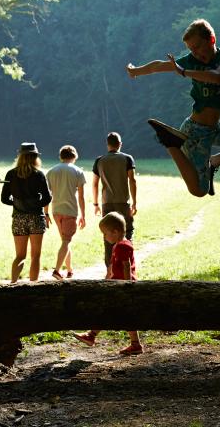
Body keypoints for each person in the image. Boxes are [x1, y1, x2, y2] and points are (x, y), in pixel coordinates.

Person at [126, 18, 220, 197]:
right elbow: (159, 66)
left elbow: (217, 76)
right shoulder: (191, 60)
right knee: (199, 190)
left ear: (211, 39)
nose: (196, 53)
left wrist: (183, 72)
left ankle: (213, 162)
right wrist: (136, 71)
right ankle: (171, 143)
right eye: (191, 49)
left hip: (216, 128)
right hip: (195, 132)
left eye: (198, 47)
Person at [73, 212, 143, 355]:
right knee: (120, 314)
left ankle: (92, 335)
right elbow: (112, 267)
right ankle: (135, 344)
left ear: (115, 232)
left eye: (105, 233)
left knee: (111, 311)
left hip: (123, 286)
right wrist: (106, 282)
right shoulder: (119, 245)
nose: (104, 237)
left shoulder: (122, 246)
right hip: (116, 285)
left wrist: (127, 285)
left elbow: (126, 265)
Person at [1, 142, 52, 283]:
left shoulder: (10, 174)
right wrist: (36, 204)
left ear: (20, 156)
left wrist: (17, 203)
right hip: (36, 217)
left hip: (18, 218)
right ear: (35, 157)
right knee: (35, 256)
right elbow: (47, 198)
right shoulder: (39, 175)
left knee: (20, 256)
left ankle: (13, 283)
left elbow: (4, 199)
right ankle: (33, 285)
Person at [92, 132, 137, 271]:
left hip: (107, 203)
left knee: (108, 236)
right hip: (123, 202)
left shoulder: (99, 160)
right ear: (120, 144)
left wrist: (96, 204)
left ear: (107, 144)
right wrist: (134, 202)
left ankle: (110, 270)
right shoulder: (127, 159)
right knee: (126, 233)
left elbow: (94, 183)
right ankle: (127, 267)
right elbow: (132, 180)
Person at [45, 145, 86, 280]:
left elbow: (47, 195)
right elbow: (81, 196)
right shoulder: (78, 171)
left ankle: (69, 270)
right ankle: (57, 270)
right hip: (70, 211)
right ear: (74, 156)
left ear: (61, 156)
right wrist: (83, 215)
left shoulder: (51, 172)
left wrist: (46, 213)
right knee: (66, 241)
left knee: (65, 241)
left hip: (56, 211)